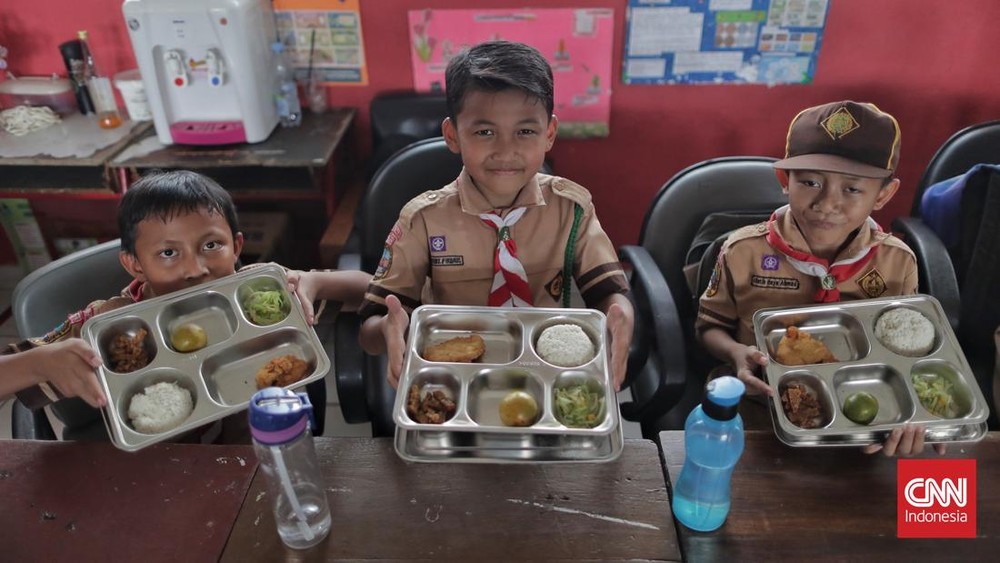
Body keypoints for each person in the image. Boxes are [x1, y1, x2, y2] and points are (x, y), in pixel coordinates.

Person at [6, 170, 370, 438]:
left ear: (237, 246)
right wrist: (39, 362)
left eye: (212, 246)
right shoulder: (106, 319)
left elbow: (371, 288)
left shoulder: (259, 290)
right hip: (154, 471)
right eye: (167, 252)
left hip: (258, 451)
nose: (196, 269)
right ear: (134, 264)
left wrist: (315, 282)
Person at [357, 40, 633, 390]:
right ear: (452, 135)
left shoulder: (572, 210)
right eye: (485, 132)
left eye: (526, 131)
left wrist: (621, 312)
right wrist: (386, 328)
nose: (506, 150)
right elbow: (368, 333)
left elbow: (609, 293)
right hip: (453, 376)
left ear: (549, 134)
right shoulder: (422, 220)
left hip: (545, 372)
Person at [696, 100, 943, 456]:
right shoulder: (742, 251)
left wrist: (915, 411)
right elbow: (708, 328)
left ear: (883, 195)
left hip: (860, 419)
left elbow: (903, 355)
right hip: (758, 411)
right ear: (785, 181)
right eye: (810, 182)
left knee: (923, 504)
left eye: (852, 189)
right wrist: (736, 353)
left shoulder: (896, 262)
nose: (827, 203)